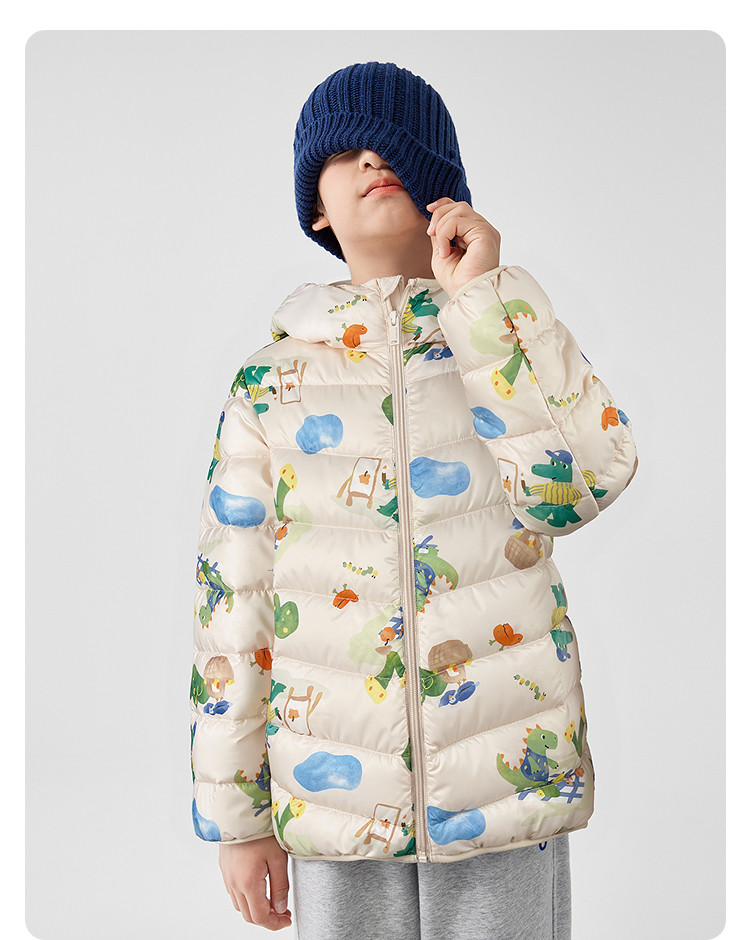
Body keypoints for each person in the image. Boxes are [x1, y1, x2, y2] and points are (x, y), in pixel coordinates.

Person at [189, 61, 638, 937]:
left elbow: (579, 488)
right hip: (333, 801)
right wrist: (239, 819)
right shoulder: (271, 385)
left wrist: (486, 304)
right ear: (316, 209)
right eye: (343, 153)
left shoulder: (499, 333)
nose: (370, 160)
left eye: (393, 145)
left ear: (442, 181)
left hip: (502, 787)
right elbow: (232, 606)